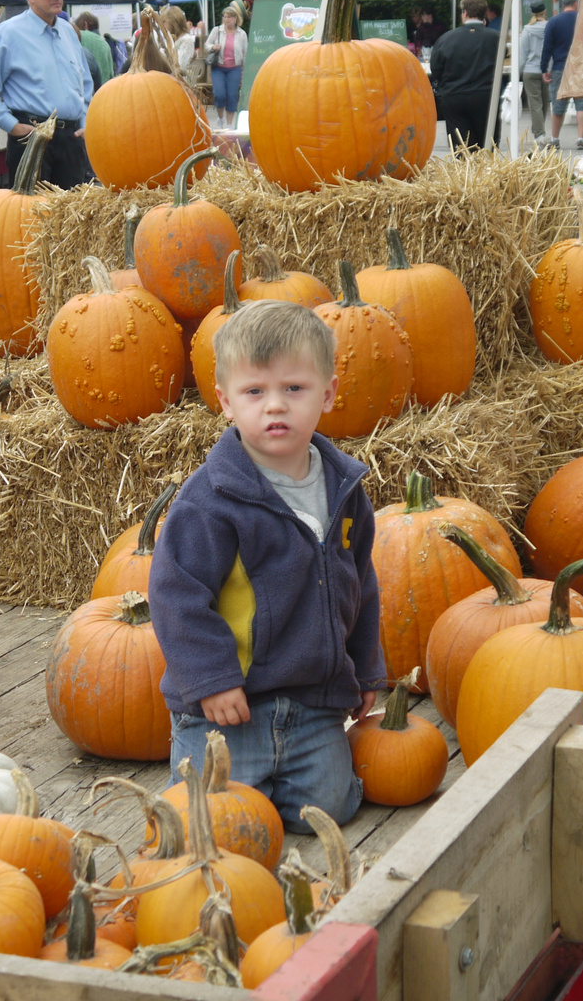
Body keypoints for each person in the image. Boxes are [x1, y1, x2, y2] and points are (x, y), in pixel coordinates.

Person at [150, 299, 384, 828]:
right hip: (229, 709)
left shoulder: (343, 489)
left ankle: (294, 779)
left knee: (331, 809)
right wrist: (210, 679)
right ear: (226, 402)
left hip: (312, 702)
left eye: (294, 389)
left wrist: (366, 666)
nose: (274, 406)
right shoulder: (211, 500)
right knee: (214, 824)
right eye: (255, 392)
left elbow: (360, 585)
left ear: (328, 393)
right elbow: (175, 594)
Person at [0, 0, 95, 190]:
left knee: (72, 219)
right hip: (32, 137)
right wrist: (13, 126)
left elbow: (85, 85)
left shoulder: (68, 32)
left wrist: (86, 123)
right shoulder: (8, 34)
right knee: (33, 219)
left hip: (71, 139)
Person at [429, 0, 496, 151]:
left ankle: (464, 172)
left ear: (464, 13)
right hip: (485, 96)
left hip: (454, 97)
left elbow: (436, 68)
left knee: (461, 147)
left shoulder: (446, 39)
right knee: (487, 146)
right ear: (485, 13)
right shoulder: (495, 38)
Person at [544, 0, 583, 150]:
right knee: (582, 104)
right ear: (576, 3)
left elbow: (547, 47)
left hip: (560, 67)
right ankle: (581, 138)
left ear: (563, 4)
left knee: (558, 104)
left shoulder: (553, 22)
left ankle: (555, 138)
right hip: (581, 66)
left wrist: (544, 68)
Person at [205, 4, 247, 131]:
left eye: (229, 17)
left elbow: (245, 54)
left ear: (235, 19)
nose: (226, 19)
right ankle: (220, 118)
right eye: (224, 16)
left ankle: (229, 125)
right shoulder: (217, 31)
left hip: (234, 68)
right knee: (219, 94)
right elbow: (207, 44)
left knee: (232, 96)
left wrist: (243, 74)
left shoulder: (242, 34)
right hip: (218, 67)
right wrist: (213, 47)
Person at [520, 1, 549, 144]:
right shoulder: (550, 28)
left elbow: (523, 52)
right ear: (545, 11)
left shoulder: (527, 30)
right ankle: (540, 130)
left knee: (535, 104)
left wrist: (519, 71)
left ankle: (539, 133)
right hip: (546, 70)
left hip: (530, 70)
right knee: (544, 103)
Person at [72, 12, 114, 88]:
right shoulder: (105, 43)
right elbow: (111, 74)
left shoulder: (77, 36)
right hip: (104, 91)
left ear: (85, 24)